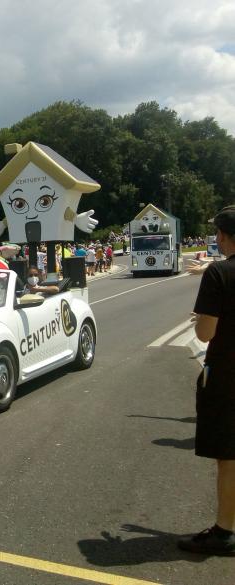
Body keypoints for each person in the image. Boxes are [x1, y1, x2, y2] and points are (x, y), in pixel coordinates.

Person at [178, 206, 235, 555]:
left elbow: (205, 331)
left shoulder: (218, 274)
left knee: (228, 458)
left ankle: (225, 530)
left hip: (228, 374)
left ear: (225, 236)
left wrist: (202, 315)